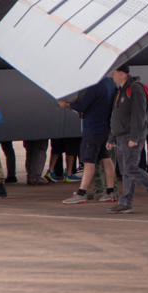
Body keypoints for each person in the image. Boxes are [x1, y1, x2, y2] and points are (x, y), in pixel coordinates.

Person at [106, 64, 148, 214]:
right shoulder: (121, 91)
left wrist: (135, 136)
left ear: (122, 73)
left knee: (131, 168)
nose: (111, 75)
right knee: (126, 171)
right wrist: (112, 137)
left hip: (131, 137)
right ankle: (125, 203)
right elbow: (117, 116)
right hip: (122, 137)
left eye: (113, 72)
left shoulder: (135, 88)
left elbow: (139, 114)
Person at [59, 74, 117, 204]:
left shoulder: (95, 85)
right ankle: (110, 191)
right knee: (105, 158)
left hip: (92, 128)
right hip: (105, 127)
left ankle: (81, 193)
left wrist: (67, 104)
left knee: (88, 161)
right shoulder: (110, 82)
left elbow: (82, 106)